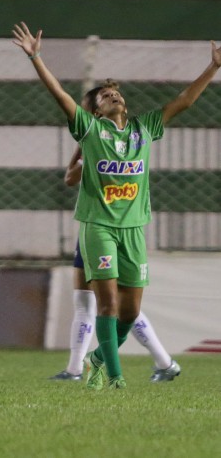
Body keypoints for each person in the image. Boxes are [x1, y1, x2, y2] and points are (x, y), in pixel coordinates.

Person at [13, 22, 220, 389]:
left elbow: (185, 100)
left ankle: (95, 359)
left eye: (115, 93)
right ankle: (115, 376)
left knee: (130, 312)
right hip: (100, 227)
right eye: (105, 95)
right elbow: (60, 94)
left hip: (134, 229)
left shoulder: (146, 128)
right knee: (105, 304)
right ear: (94, 111)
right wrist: (37, 58)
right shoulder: (92, 132)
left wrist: (214, 67)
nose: (113, 96)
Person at [51, 148, 180, 382]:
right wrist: (82, 145)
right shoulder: (94, 142)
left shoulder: (108, 145)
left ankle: (160, 362)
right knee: (89, 300)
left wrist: (83, 147)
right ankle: (75, 368)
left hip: (110, 229)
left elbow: (70, 178)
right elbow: (71, 177)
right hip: (92, 228)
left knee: (115, 305)